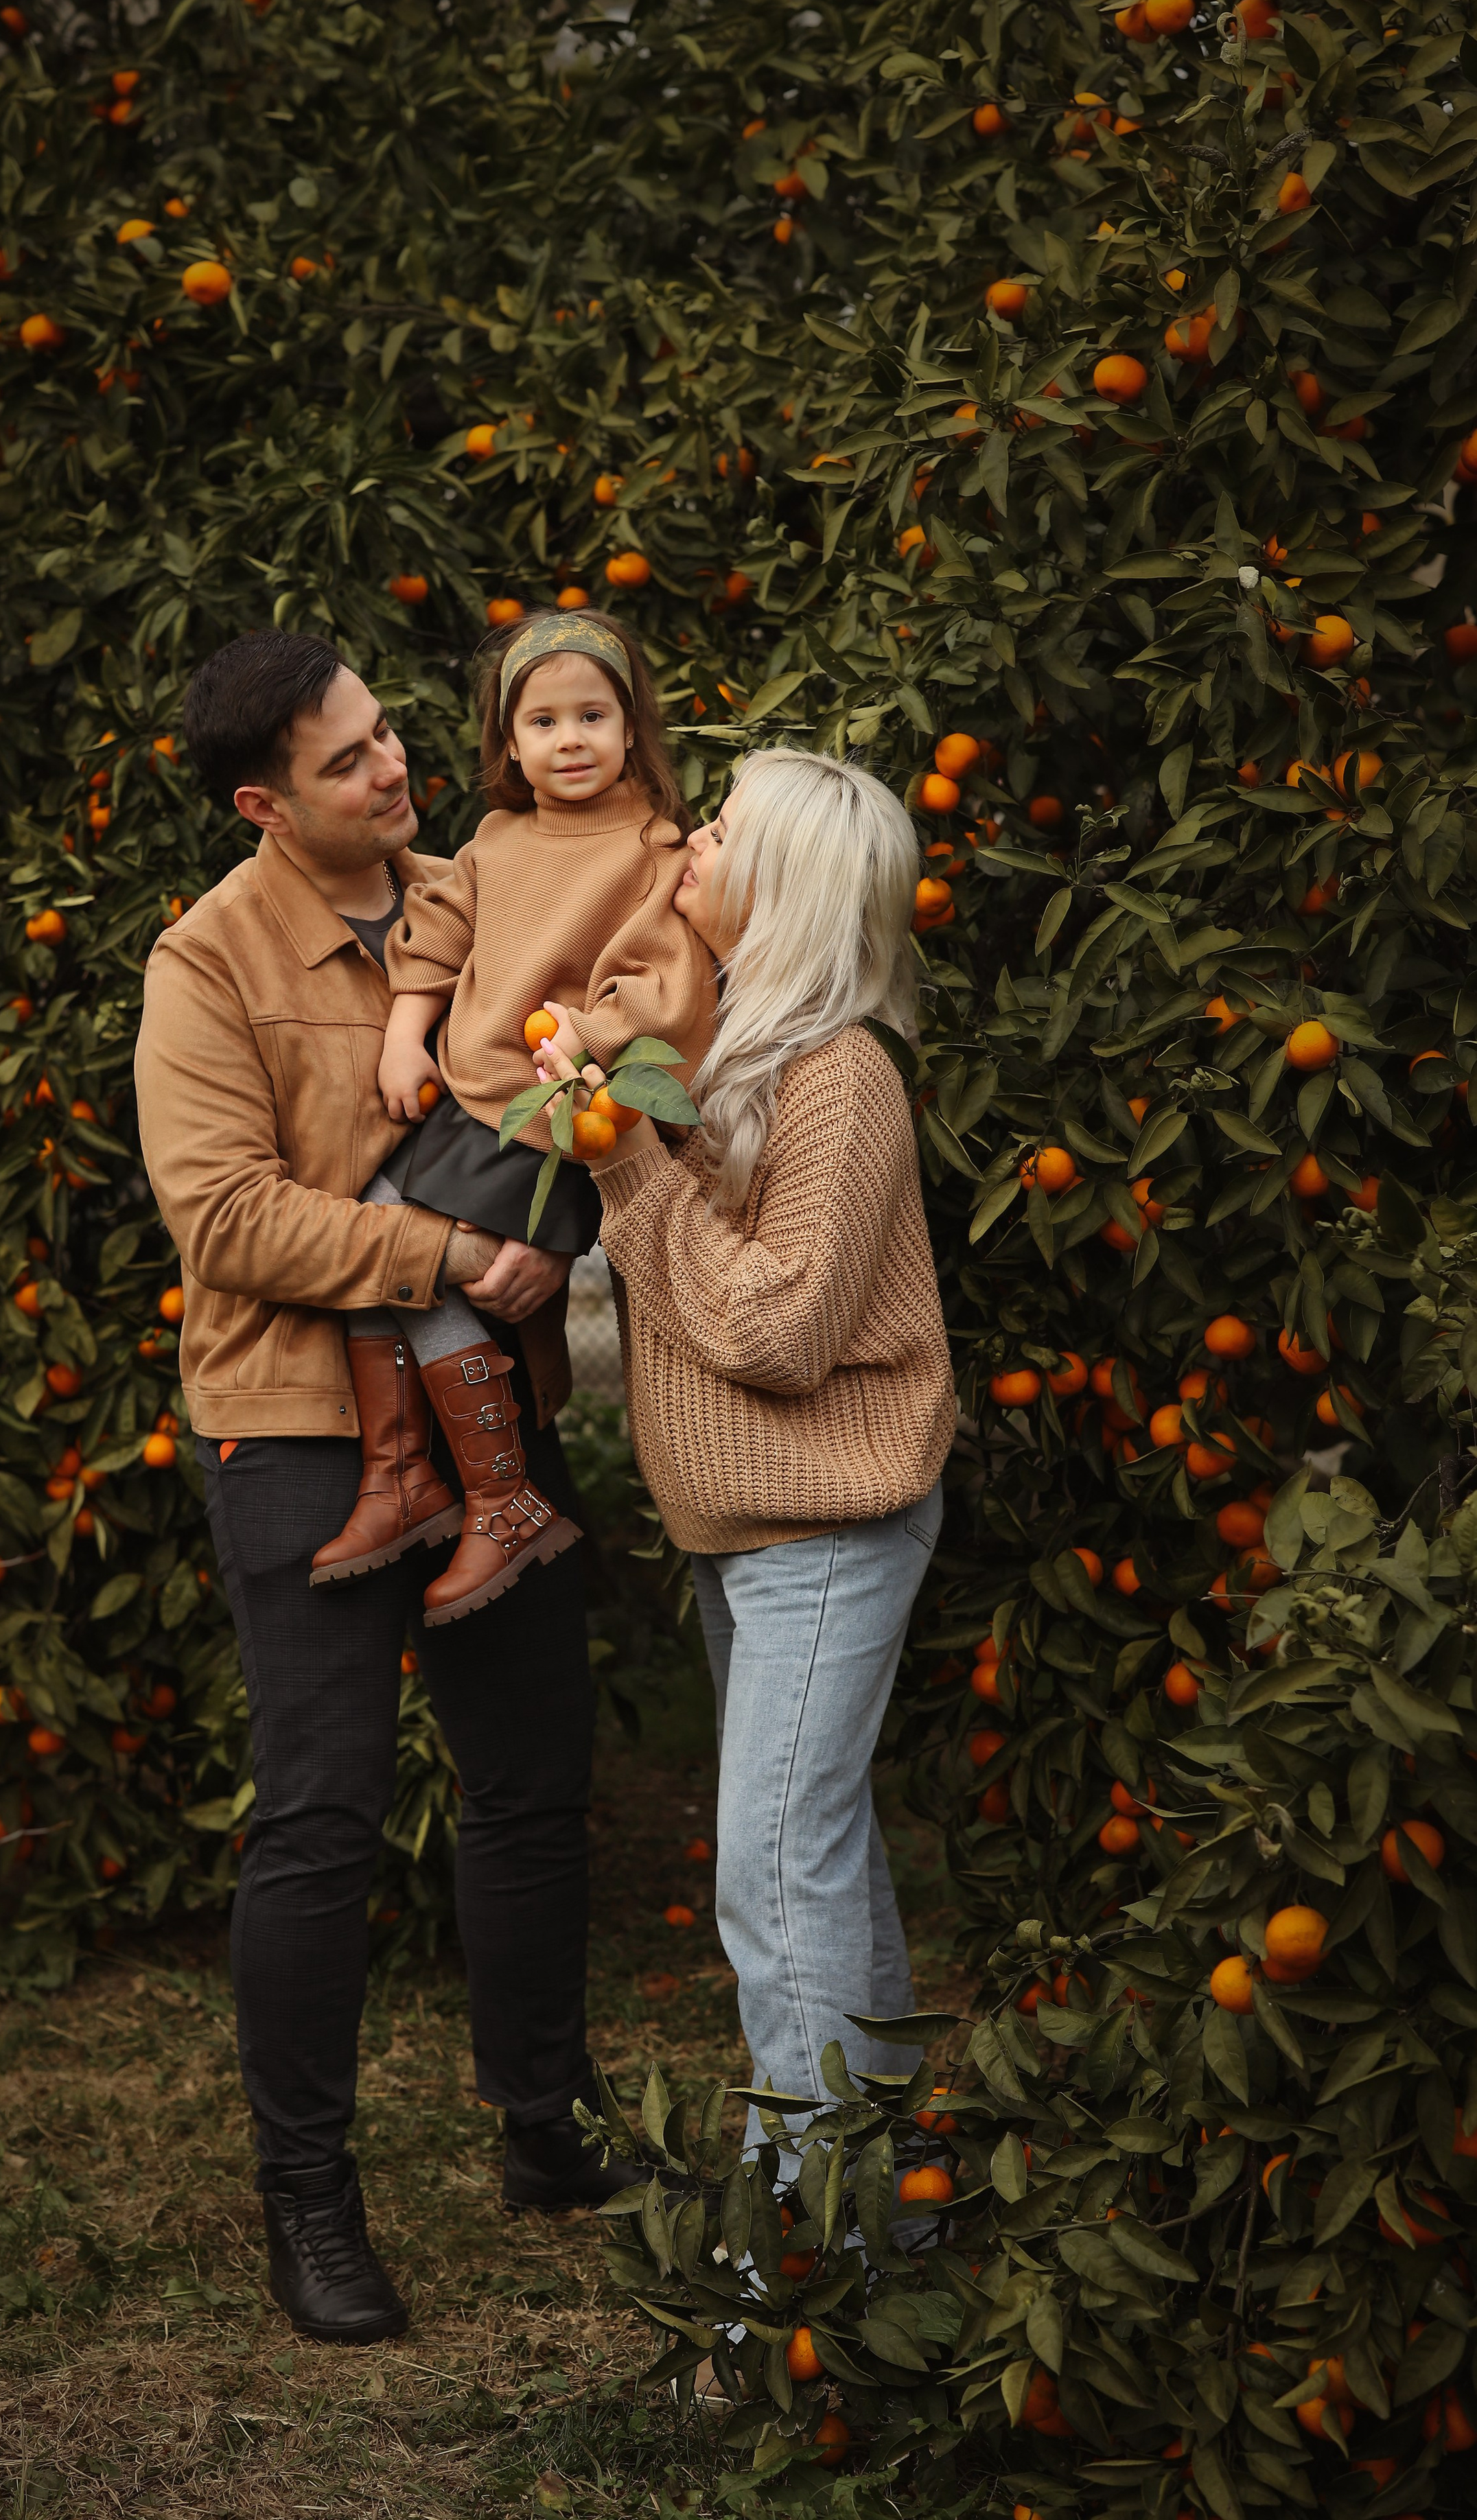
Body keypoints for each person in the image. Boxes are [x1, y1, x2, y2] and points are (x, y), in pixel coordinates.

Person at [132, 628, 636, 2351]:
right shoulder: (204, 961)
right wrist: (445, 1247)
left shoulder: (482, 882)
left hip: (490, 1396)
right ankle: (311, 2203)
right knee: (324, 1814)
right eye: (350, 760)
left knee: (527, 1780)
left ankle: (544, 2127)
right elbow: (228, 1217)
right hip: (293, 1428)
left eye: (389, 732)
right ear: (267, 803)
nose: (396, 764)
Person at [537, 745, 954, 2147]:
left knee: (776, 1880)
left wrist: (621, 1160)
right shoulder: (741, 1058)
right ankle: (876, 2235)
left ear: (779, 883)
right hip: (751, 1534)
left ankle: (802, 2259)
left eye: (720, 830)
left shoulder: (838, 1080)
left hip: (824, 1534)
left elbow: (769, 1333)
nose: (689, 842)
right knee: (813, 1865)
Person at [308, 606, 717, 1622]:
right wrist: (408, 1033)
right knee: (370, 1236)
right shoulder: (495, 841)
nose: (569, 739)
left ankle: (490, 1493)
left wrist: (584, 1040)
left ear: (633, 731)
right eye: (542, 722)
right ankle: (415, 1474)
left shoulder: (657, 849)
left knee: (408, 1245)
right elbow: (435, 934)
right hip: (469, 1105)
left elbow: (668, 991)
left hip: (552, 1117)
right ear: (509, 743)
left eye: (592, 716)